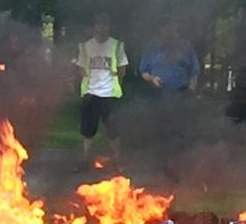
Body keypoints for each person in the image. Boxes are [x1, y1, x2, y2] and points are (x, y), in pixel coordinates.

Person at [74, 14, 128, 159]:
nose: (102, 28)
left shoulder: (117, 45)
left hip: (110, 94)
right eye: (99, 25)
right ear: (94, 27)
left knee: (113, 131)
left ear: (109, 27)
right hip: (91, 93)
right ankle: (84, 160)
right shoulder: (86, 46)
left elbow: (122, 68)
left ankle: (117, 161)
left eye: (105, 25)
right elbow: (80, 68)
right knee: (88, 132)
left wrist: (116, 83)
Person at [139, 21, 201, 94]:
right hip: (157, 94)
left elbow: (194, 71)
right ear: (160, 30)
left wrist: (191, 91)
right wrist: (152, 79)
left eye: (171, 27)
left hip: (182, 92)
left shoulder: (186, 47)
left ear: (176, 28)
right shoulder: (151, 47)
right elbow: (144, 71)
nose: (168, 30)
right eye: (164, 27)